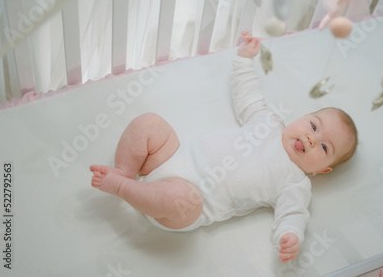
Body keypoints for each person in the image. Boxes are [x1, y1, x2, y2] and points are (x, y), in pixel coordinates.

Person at [90, 31, 358, 263]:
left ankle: (123, 188)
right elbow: (248, 96)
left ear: (322, 171)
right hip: (171, 156)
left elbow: (294, 214)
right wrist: (243, 60)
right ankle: (124, 172)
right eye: (313, 126)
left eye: (324, 148)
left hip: (189, 201)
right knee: (149, 123)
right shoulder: (269, 121)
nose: (312, 139)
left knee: (182, 199)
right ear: (303, 117)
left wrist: (290, 236)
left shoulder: (295, 183)